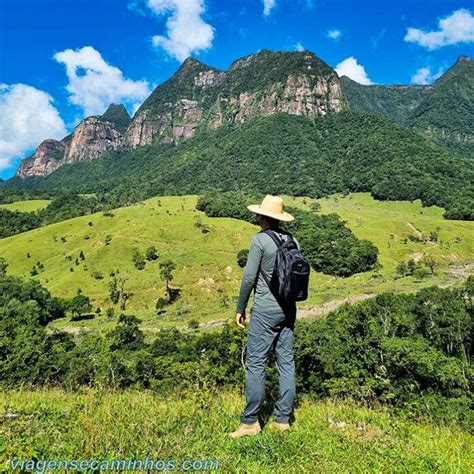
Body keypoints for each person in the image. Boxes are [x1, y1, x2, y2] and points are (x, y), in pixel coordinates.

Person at [229, 194, 300, 438]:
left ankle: (250, 422)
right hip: (289, 309)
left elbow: (249, 277)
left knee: (256, 363)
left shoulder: (260, 241)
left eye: (259, 214)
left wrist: (240, 308)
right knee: (286, 362)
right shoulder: (292, 240)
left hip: (265, 311)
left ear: (263, 217)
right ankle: (282, 419)